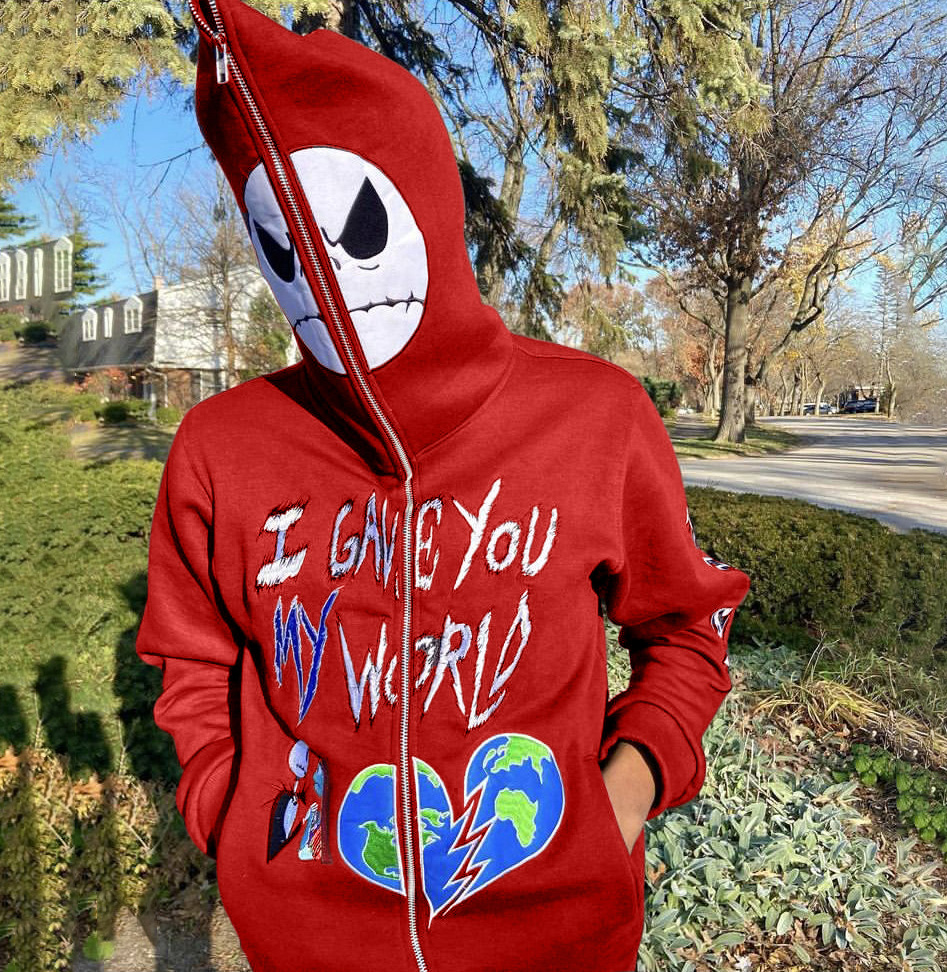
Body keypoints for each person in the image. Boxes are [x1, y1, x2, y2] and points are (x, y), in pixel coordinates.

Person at [136, 2, 750, 970]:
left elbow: (685, 629)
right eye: (284, 248)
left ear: (425, 202)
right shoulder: (222, 445)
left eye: (358, 230)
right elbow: (192, 662)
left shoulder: (594, 414)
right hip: (310, 945)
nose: (327, 279)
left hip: (559, 939)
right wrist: (232, 817)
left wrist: (620, 803)